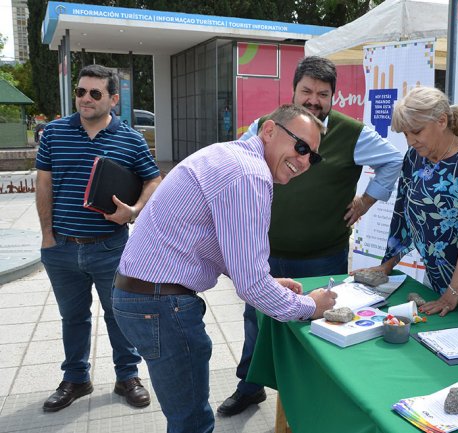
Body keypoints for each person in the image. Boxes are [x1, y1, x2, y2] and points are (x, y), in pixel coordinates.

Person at [112, 104, 338, 433]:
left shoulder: (232, 157)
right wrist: (311, 306)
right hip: (160, 304)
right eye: (300, 147)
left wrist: (269, 282)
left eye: (313, 157)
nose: (304, 160)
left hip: (145, 298)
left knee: (186, 418)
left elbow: (224, 248)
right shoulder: (250, 173)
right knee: (192, 423)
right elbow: (251, 287)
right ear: (270, 131)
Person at [217, 56, 402, 416]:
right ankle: (250, 386)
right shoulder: (268, 126)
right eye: (307, 91)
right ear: (293, 91)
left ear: (334, 96)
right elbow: (238, 161)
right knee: (257, 321)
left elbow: (393, 161)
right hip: (267, 253)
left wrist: (365, 201)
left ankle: (316, 397)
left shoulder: (352, 133)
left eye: (323, 93)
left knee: (319, 326)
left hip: (322, 255)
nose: (314, 100)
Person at [35, 64, 161, 412]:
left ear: (113, 99)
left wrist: (134, 210)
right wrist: (47, 237)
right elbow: (43, 183)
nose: (85, 99)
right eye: (80, 91)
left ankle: (127, 377)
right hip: (61, 248)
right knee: (73, 317)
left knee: (118, 314)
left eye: (94, 93)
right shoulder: (55, 134)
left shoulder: (131, 138)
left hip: (110, 247)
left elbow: (153, 180)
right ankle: (76, 378)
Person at [353, 86, 458, 316]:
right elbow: (403, 213)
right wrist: (387, 266)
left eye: (416, 131)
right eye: (405, 134)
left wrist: (452, 293)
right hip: (434, 275)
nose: (411, 141)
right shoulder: (415, 157)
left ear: (442, 121)